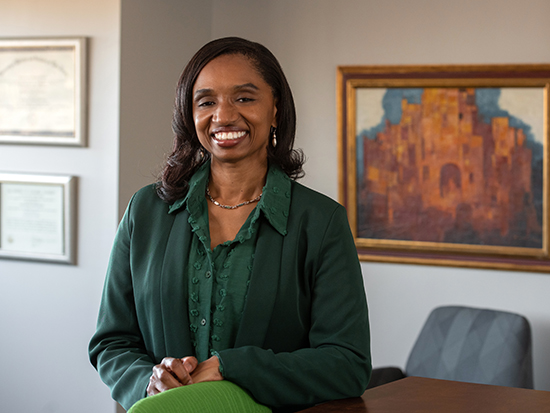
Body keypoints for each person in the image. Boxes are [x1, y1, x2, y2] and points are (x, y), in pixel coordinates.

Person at [89, 37, 371, 412]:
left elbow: (347, 364)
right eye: (206, 101)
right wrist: (149, 380)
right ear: (190, 115)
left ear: (276, 110)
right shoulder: (145, 211)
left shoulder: (320, 223)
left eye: (244, 98)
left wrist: (233, 367)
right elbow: (111, 342)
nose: (223, 116)